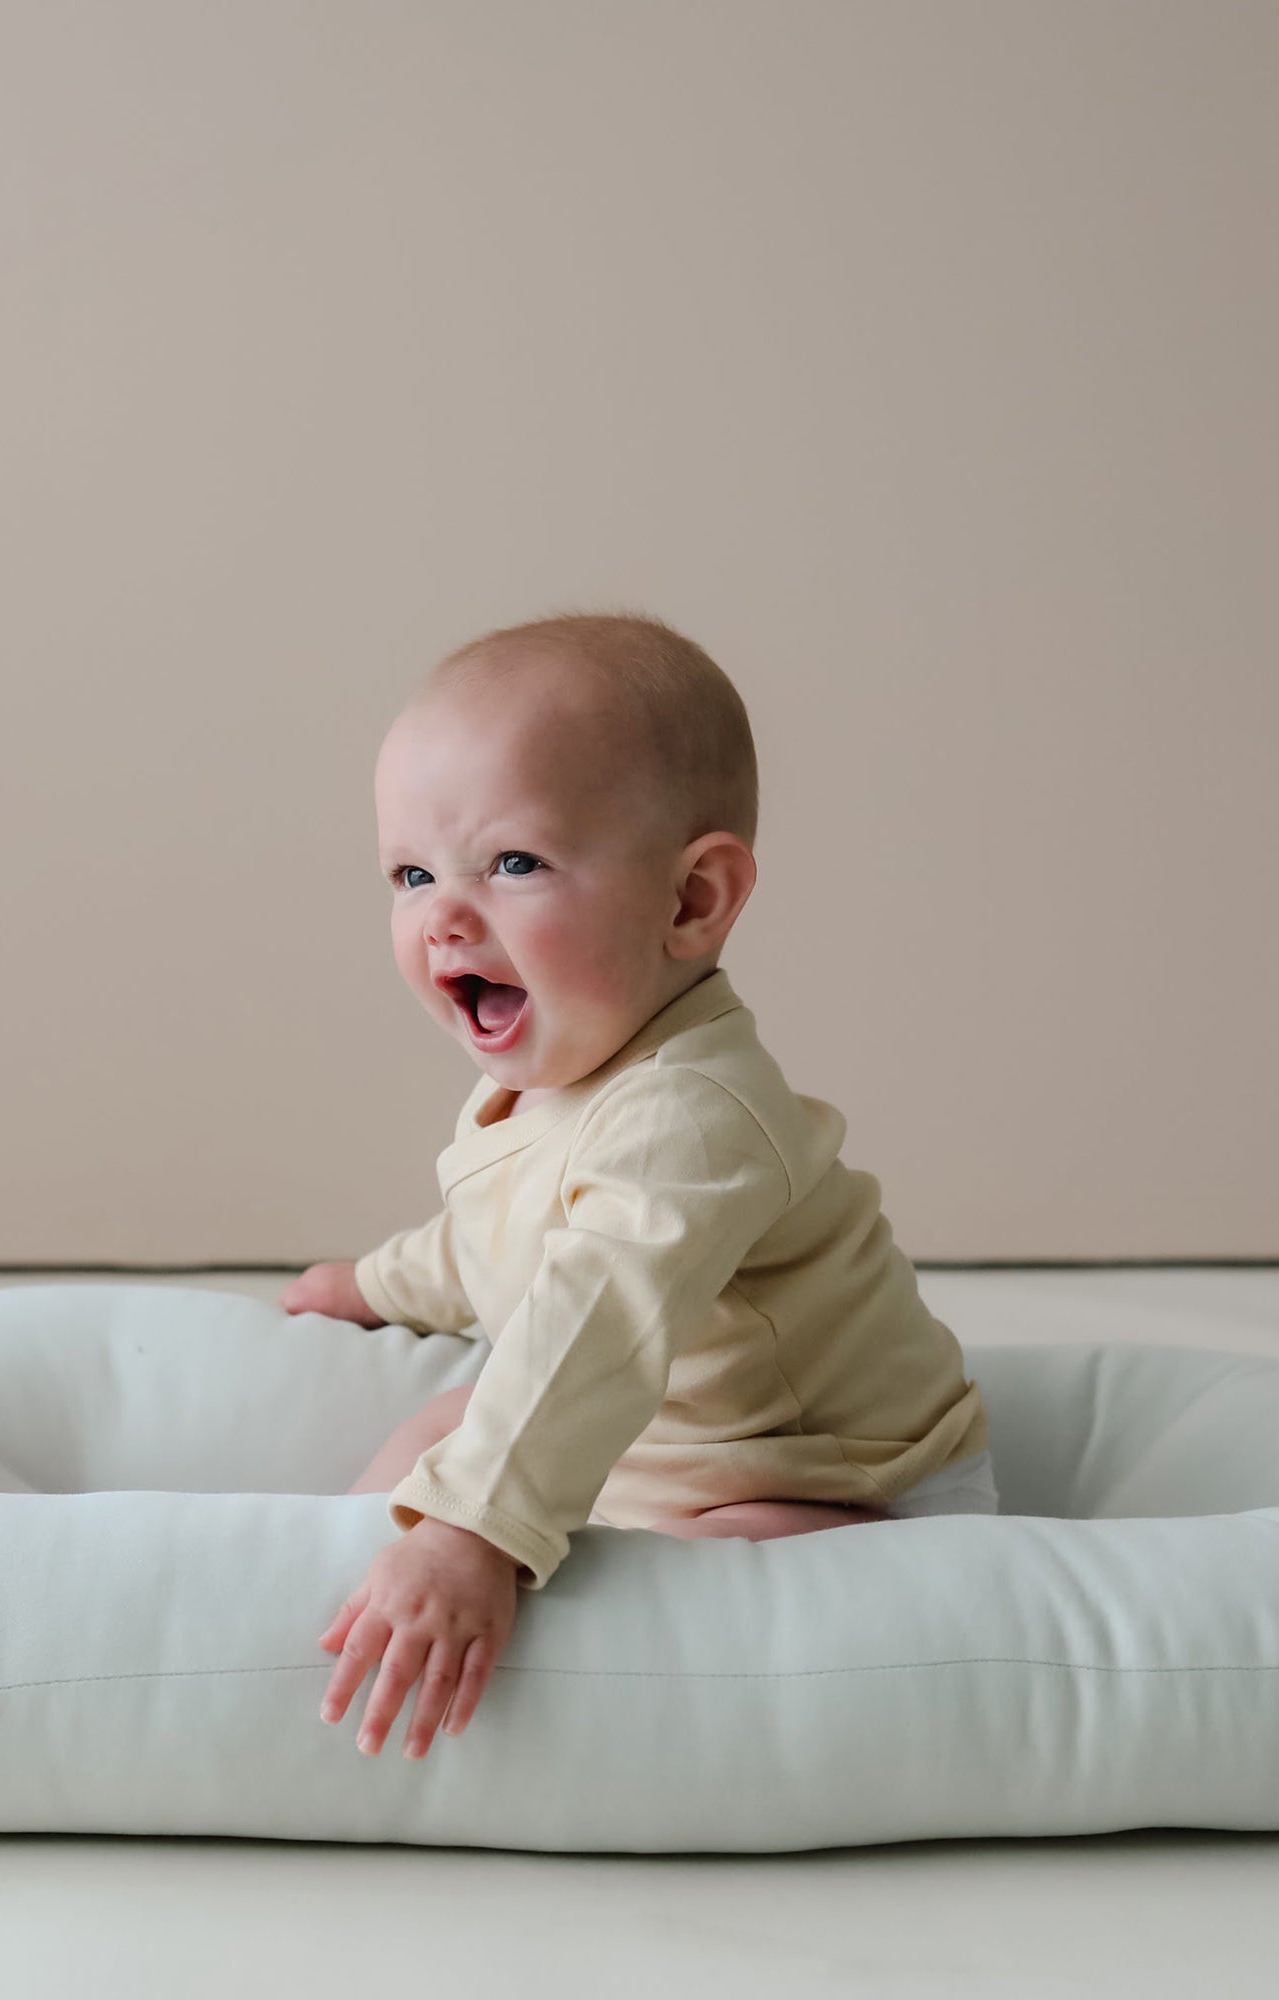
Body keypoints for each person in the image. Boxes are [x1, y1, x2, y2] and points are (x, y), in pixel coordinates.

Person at [279, 610, 996, 1763]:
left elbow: (594, 1311)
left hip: (830, 1482)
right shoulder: (555, 1074)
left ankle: (485, 1632)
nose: (443, 914)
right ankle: (306, 1585)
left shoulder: (691, 1114)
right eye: (411, 873)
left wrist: (473, 1531)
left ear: (690, 901)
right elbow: (493, 1243)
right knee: (446, 1421)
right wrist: (372, 1282)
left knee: (689, 1586)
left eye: (513, 863)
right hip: (657, 1437)